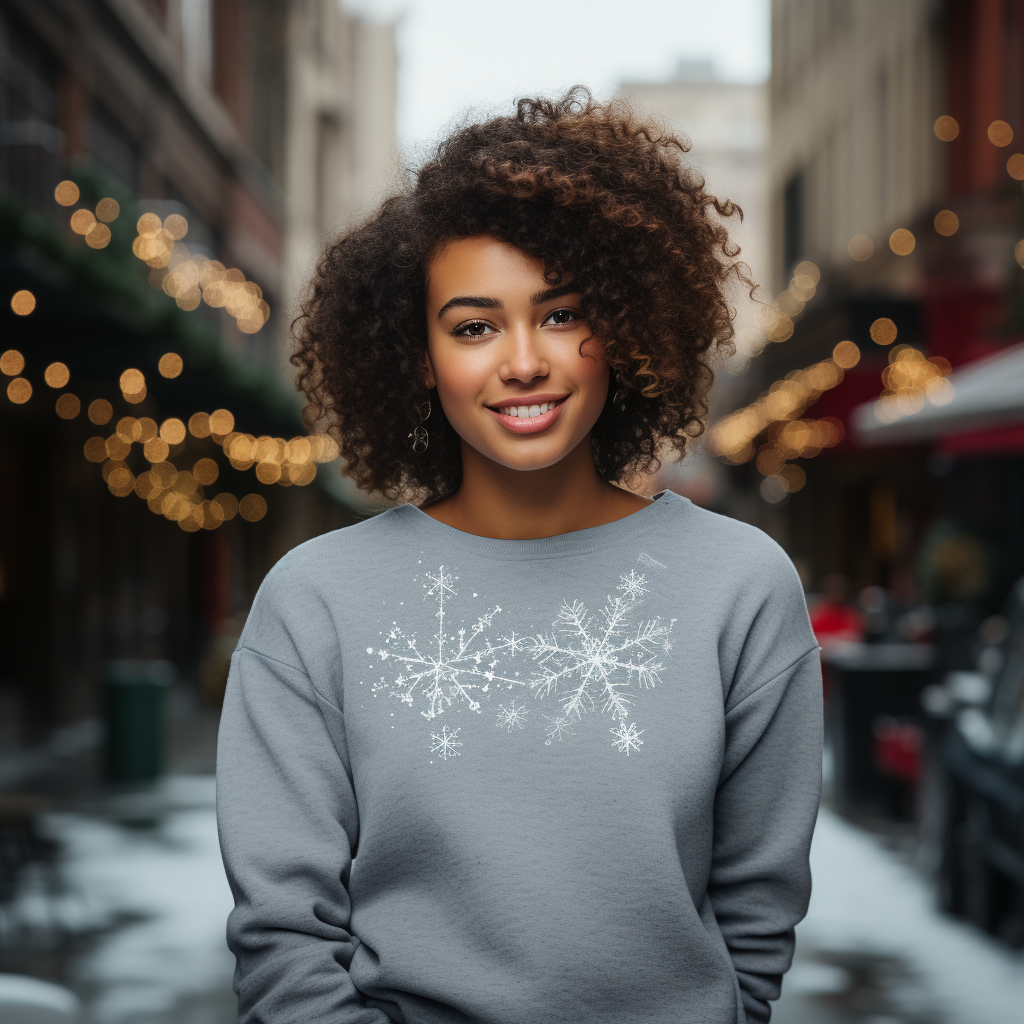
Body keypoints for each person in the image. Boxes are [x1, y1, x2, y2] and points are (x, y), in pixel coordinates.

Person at [216, 89, 823, 1024]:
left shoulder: (741, 586)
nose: (524, 361)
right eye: (472, 326)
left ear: (618, 327)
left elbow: (758, 911)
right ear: (418, 357)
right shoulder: (316, 601)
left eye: (562, 314)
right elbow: (284, 937)